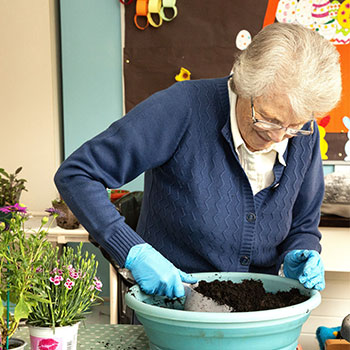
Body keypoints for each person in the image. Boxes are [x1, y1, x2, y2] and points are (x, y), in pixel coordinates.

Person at [54, 23, 342, 298]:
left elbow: (303, 222)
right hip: (174, 308)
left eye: (294, 127)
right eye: (268, 120)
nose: (279, 137)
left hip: (257, 315)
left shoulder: (303, 134)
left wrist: (302, 250)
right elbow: (78, 174)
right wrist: (132, 251)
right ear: (242, 85)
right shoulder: (182, 108)